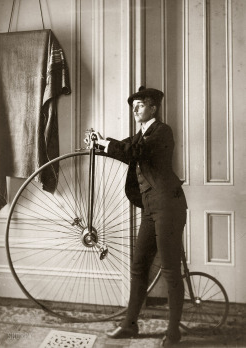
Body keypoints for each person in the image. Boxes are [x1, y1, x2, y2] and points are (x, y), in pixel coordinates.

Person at [93, 86, 187, 347]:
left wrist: (107, 144)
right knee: (138, 266)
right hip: (149, 208)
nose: (135, 108)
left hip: (169, 206)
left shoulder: (161, 131)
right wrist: (99, 143)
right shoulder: (140, 135)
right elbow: (125, 148)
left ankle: (173, 333)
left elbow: (135, 153)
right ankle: (129, 325)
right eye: (133, 105)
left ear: (153, 108)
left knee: (169, 270)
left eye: (141, 105)